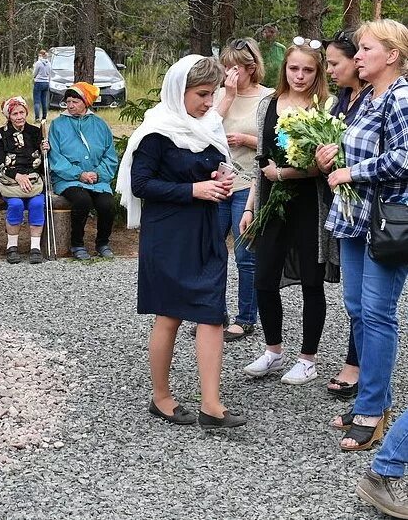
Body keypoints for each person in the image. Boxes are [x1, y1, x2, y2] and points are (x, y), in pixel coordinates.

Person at [118, 55, 245, 428]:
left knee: (211, 313)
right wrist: (194, 189)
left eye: (212, 94)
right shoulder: (156, 131)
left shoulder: (207, 125)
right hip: (168, 233)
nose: (209, 102)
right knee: (170, 315)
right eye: (202, 94)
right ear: (179, 91)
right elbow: (141, 185)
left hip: (205, 229)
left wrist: (220, 182)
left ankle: (211, 405)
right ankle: (161, 397)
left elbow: (216, 168)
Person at [317, 19, 408, 455]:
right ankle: (377, 398)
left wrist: (353, 169)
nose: (357, 57)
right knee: (356, 308)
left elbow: (406, 157)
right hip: (354, 218)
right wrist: (334, 151)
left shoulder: (401, 95)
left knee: (377, 313)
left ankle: (371, 410)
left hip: (387, 222)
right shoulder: (366, 97)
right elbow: (361, 144)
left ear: (391, 55)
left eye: (366, 49)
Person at [239, 38, 338, 386]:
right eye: (294, 68)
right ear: (284, 69)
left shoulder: (325, 106)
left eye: (308, 70)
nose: (300, 76)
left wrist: (285, 173)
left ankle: (308, 358)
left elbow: (327, 164)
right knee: (264, 276)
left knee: (312, 280)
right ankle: (273, 350)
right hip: (271, 201)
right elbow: (260, 160)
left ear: (318, 72)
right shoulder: (269, 104)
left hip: (310, 203)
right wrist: (251, 206)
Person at [315, 30, 369, 401]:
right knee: (354, 297)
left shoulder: (378, 99)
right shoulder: (340, 101)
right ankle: (360, 360)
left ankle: (360, 364)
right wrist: (320, 160)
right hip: (345, 207)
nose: (330, 70)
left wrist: (348, 167)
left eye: (335, 63)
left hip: (373, 208)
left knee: (372, 299)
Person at [213, 39, 273, 342]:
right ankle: (213, 313)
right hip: (219, 180)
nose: (228, 72)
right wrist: (228, 95)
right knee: (212, 251)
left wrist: (248, 141)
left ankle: (246, 318)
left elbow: (278, 142)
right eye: (226, 66)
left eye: (234, 67)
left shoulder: (269, 98)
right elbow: (205, 129)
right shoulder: (219, 95)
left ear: (251, 68)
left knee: (245, 253)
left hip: (249, 184)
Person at [48, 82, 118, 260]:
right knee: (82, 200)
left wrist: (98, 173)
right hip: (68, 179)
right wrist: (78, 174)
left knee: (107, 204)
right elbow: (55, 157)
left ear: (86, 102)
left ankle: (102, 243)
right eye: (68, 102)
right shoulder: (57, 125)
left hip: (97, 179)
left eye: (75, 102)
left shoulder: (100, 125)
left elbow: (110, 155)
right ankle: (77, 244)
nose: (70, 105)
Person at [0, 96, 48, 265]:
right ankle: (12, 247)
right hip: (8, 179)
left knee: (37, 204)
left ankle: (35, 248)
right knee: (16, 205)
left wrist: (46, 152)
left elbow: (42, 165)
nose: (19, 116)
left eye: (22, 112)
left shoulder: (36, 133)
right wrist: (17, 176)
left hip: (32, 180)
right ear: (9, 116)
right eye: (15, 113)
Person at [32, 49, 52, 122]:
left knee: (37, 101)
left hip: (38, 82)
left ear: (40, 55)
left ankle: (37, 118)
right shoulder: (49, 63)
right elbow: (49, 73)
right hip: (46, 82)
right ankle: (44, 117)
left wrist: (34, 78)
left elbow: (34, 73)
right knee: (44, 101)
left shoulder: (38, 63)